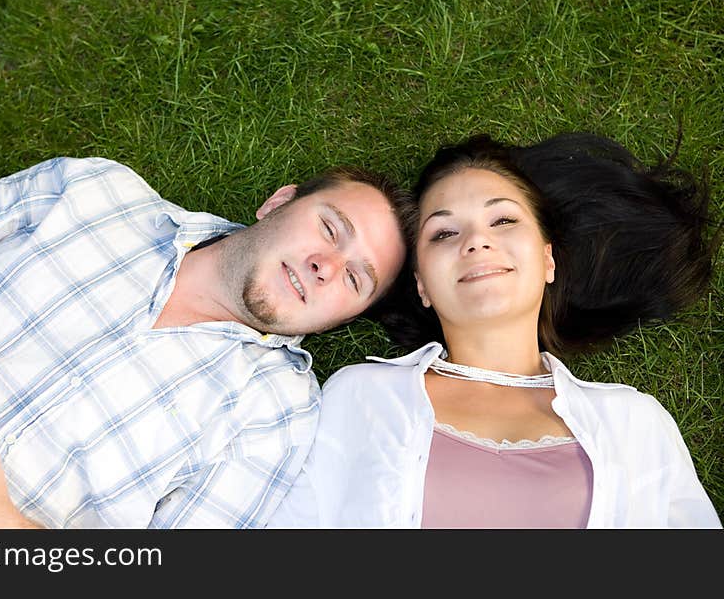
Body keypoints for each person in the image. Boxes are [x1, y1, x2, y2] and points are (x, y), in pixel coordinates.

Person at [0, 155, 411, 528]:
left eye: (355, 279)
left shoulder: (278, 417)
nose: (325, 266)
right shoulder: (97, 192)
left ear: (346, 318)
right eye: (330, 229)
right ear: (279, 203)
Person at [267, 133, 722, 528]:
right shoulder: (360, 397)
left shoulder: (635, 422)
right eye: (443, 233)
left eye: (503, 220)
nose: (476, 241)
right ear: (422, 283)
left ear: (547, 259)